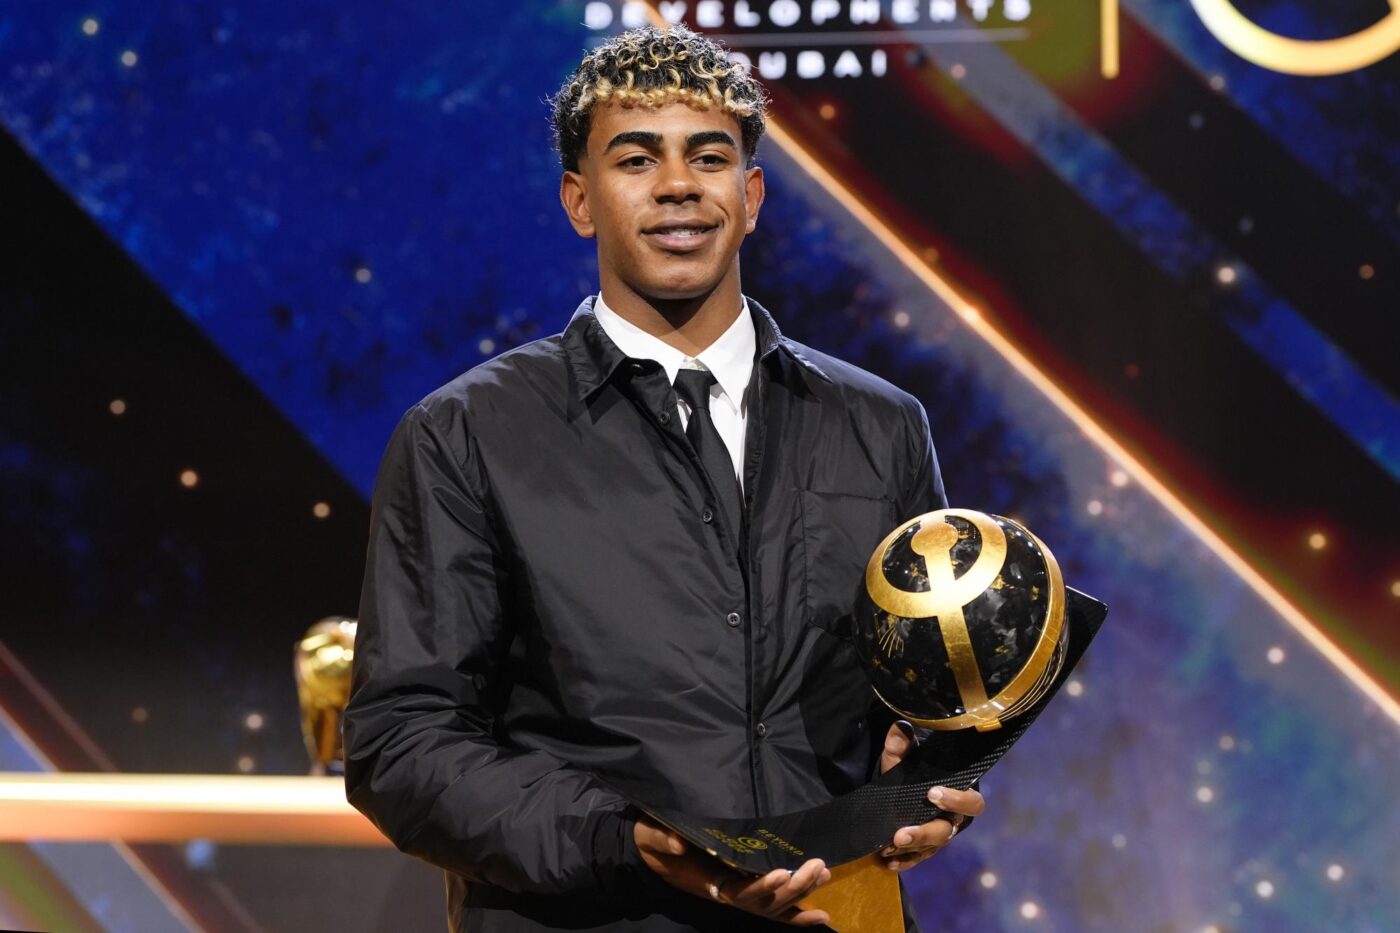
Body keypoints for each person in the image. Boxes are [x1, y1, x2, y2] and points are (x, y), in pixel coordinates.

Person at [344, 24, 984, 933]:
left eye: (708, 157)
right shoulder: (465, 434)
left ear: (749, 196)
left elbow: (925, 693)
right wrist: (627, 840)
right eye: (637, 159)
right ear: (580, 200)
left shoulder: (880, 425)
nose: (678, 185)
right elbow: (402, 742)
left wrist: (927, 777)